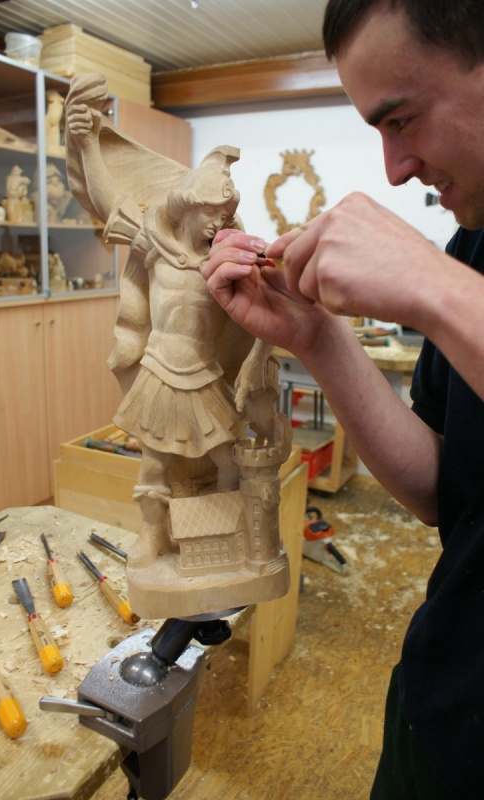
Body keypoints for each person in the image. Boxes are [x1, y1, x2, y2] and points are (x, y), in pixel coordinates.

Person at [201, 1, 484, 797]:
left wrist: (436, 288)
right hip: (442, 706)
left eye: (403, 119)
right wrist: (318, 337)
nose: (395, 168)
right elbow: (441, 490)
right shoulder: (474, 243)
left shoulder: (454, 274)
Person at [65, 75, 277, 570]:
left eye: (225, 213)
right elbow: (108, 200)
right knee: (154, 461)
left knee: (226, 459)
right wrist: (88, 142)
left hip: (203, 373)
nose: (219, 222)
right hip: (160, 369)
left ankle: (224, 526)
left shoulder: (224, 263)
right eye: (211, 212)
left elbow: (267, 317)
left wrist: (256, 361)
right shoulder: (155, 244)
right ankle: (154, 532)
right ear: (186, 209)